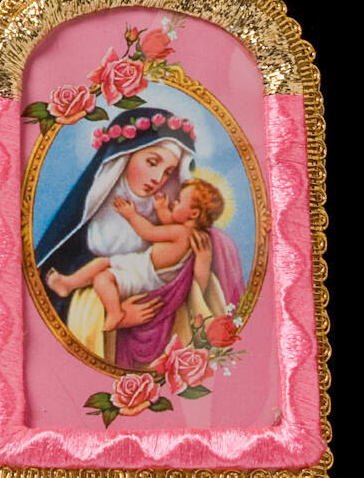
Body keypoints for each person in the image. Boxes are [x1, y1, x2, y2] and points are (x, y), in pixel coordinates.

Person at [34, 107, 244, 369]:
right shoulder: (81, 226)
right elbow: (52, 310)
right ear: (124, 157)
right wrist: (111, 315)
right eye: (152, 162)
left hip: (161, 331)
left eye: (168, 172)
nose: (158, 180)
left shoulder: (183, 229)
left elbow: (197, 292)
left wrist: (201, 261)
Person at [46, 179, 225, 331]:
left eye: (179, 201)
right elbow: (169, 222)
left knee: (103, 278)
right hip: (143, 265)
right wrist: (162, 209)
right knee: (102, 263)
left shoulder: (182, 233)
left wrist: (131, 215)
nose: (174, 203)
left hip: (145, 274)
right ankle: (68, 284)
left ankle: (116, 313)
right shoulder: (188, 233)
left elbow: (149, 232)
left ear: (194, 213)